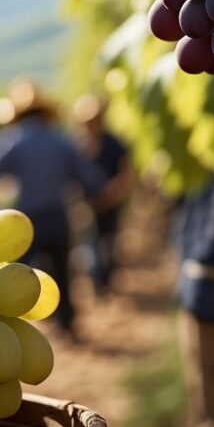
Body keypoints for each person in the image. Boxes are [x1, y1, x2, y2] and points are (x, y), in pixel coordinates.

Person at [0, 81, 104, 337]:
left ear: (18, 114)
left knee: (14, 278)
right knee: (62, 274)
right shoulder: (61, 140)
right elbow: (89, 179)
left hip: (25, 221)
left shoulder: (12, 139)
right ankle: (67, 322)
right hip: (58, 217)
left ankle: (9, 329)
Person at [72, 94, 132, 295]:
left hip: (110, 203)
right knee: (89, 244)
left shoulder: (113, 143)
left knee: (108, 242)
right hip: (87, 205)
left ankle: (105, 281)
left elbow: (125, 171)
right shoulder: (77, 146)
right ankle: (97, 283)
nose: (90, 124)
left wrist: (113, 192)